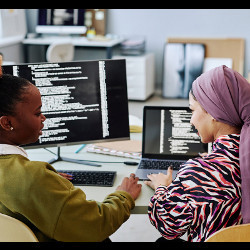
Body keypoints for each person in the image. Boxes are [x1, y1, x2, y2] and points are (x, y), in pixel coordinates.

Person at [0, 58, 141, 242]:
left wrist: (49, 184)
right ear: (7, 122)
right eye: (37, 113)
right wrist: (124, 195)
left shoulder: (25, 175)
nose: (43, 117)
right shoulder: (32, 177)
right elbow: (96, 224)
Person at [144, 65, 250, 242]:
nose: (191, 121)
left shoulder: (199, 172)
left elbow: (168, 226)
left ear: (215, 112)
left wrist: (162, 187)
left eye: (192, 110)